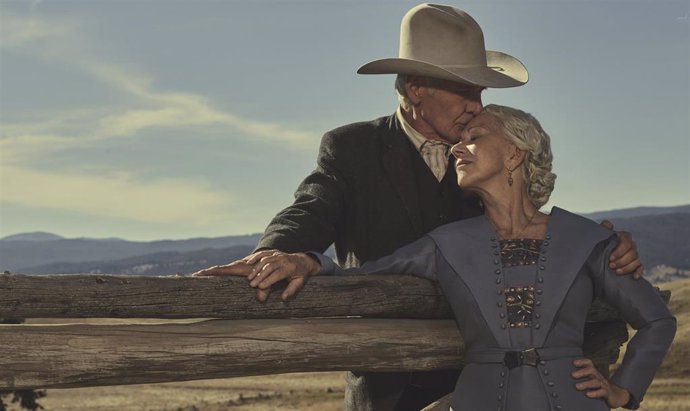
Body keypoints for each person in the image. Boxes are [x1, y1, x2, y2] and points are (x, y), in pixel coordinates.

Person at [194, 4, 643, 410]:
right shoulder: (353, 148)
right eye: (463, 91)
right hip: (387, 383)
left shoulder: (482, 156)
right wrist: (279, 252)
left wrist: (601, 243)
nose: (476, 106)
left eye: (480, 92)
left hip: (482, 381)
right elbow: (311, 209)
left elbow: (524, 224)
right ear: (415, 87)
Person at [239, 104, 676, 411]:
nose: (456, 147)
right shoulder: (444, 243)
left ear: (514, 153)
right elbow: (367, 275)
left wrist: (623, 390)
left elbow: (657, 320)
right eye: (459, 139)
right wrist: (308, 261)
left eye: (474, 137)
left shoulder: (586, 239)